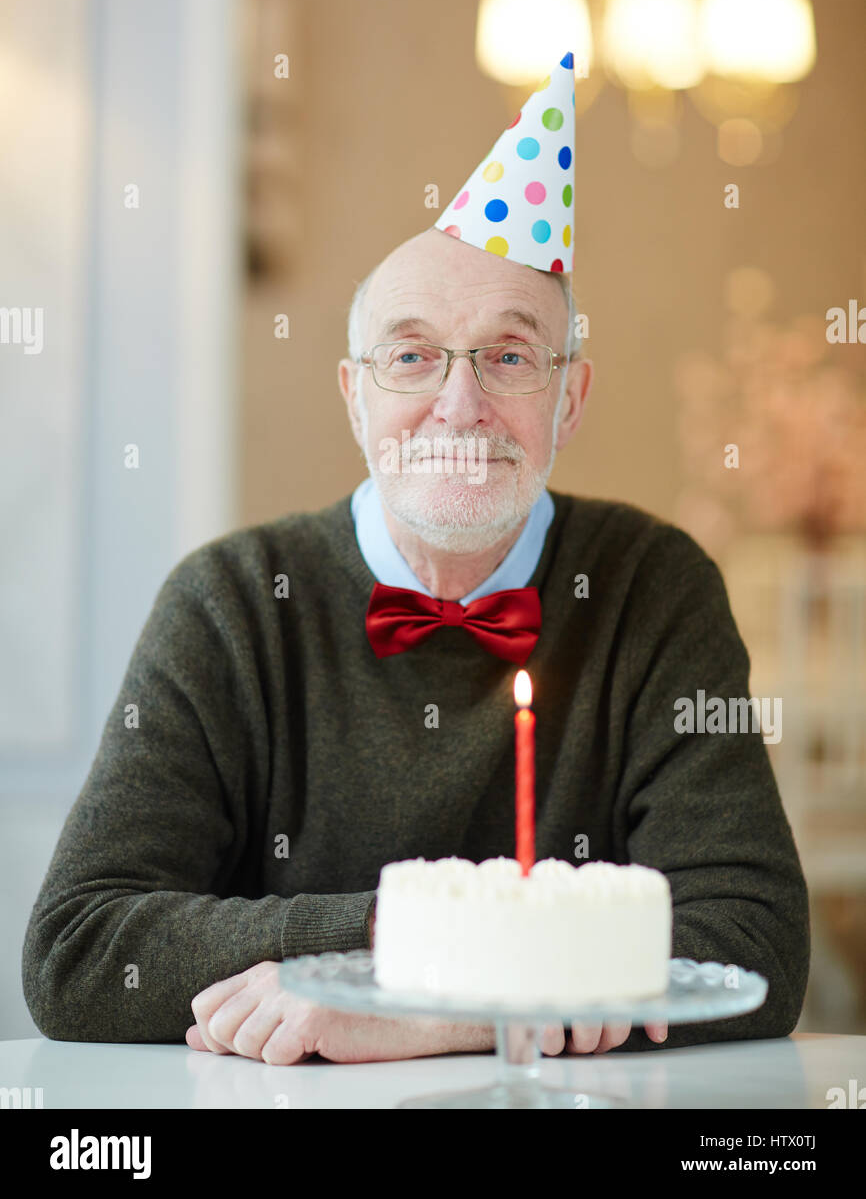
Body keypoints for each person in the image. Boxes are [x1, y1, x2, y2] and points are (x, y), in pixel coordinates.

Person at [22, 54, 809, 1064]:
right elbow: (80, 951)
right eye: (411, 355)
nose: (458, 403)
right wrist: (393, 942)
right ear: (354, 395)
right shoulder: (227, 602)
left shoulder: (653, 586)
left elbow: (752, 946)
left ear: (567, 399)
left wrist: (429, 1010)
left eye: (508, 355)